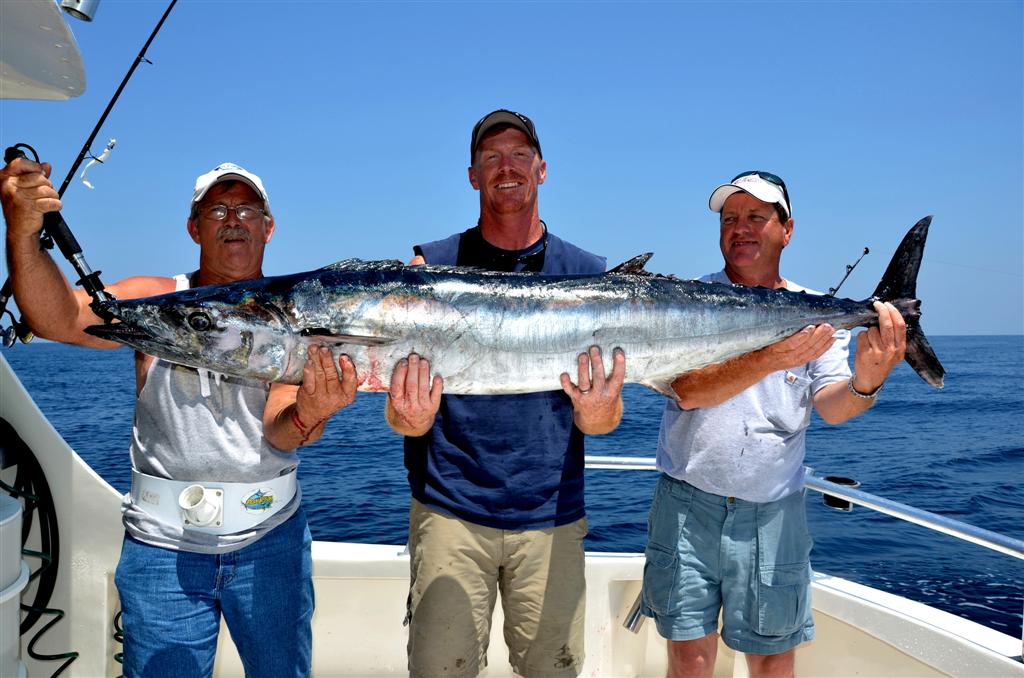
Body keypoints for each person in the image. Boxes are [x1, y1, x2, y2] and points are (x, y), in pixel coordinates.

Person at [1, 158, 358, 676]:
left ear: (268, 226)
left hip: (270, 541)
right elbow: (57, 317)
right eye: (217, 209)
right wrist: (23, 234)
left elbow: (282, 428)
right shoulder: (155, 299)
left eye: (246, 209)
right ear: (194, 227)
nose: (232, 219)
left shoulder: (292, 311)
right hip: (161, 546)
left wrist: (312, 411)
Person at [384, 109, 626, 678]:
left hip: (552, 514)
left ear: (543, 169)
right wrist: (408, 417)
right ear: (472, 175)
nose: (506, 167)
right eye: (491, 157)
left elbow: (606, 419)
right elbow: (403, 417)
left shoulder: (586, 273)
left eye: (519, 154)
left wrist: (597, 410)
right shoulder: (429, 269)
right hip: (450, 511)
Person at [639, 170, 907, 678]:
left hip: (773, 510)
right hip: (686, 501)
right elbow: (688, 390)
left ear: (787, 229)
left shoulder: (818, 314)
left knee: (770, 660)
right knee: (688, 658)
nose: (740, 227)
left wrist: (867, 381)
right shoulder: (683, 301)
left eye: (756, 217)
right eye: (729, 218)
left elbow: (832, 405)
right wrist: (769, 358)